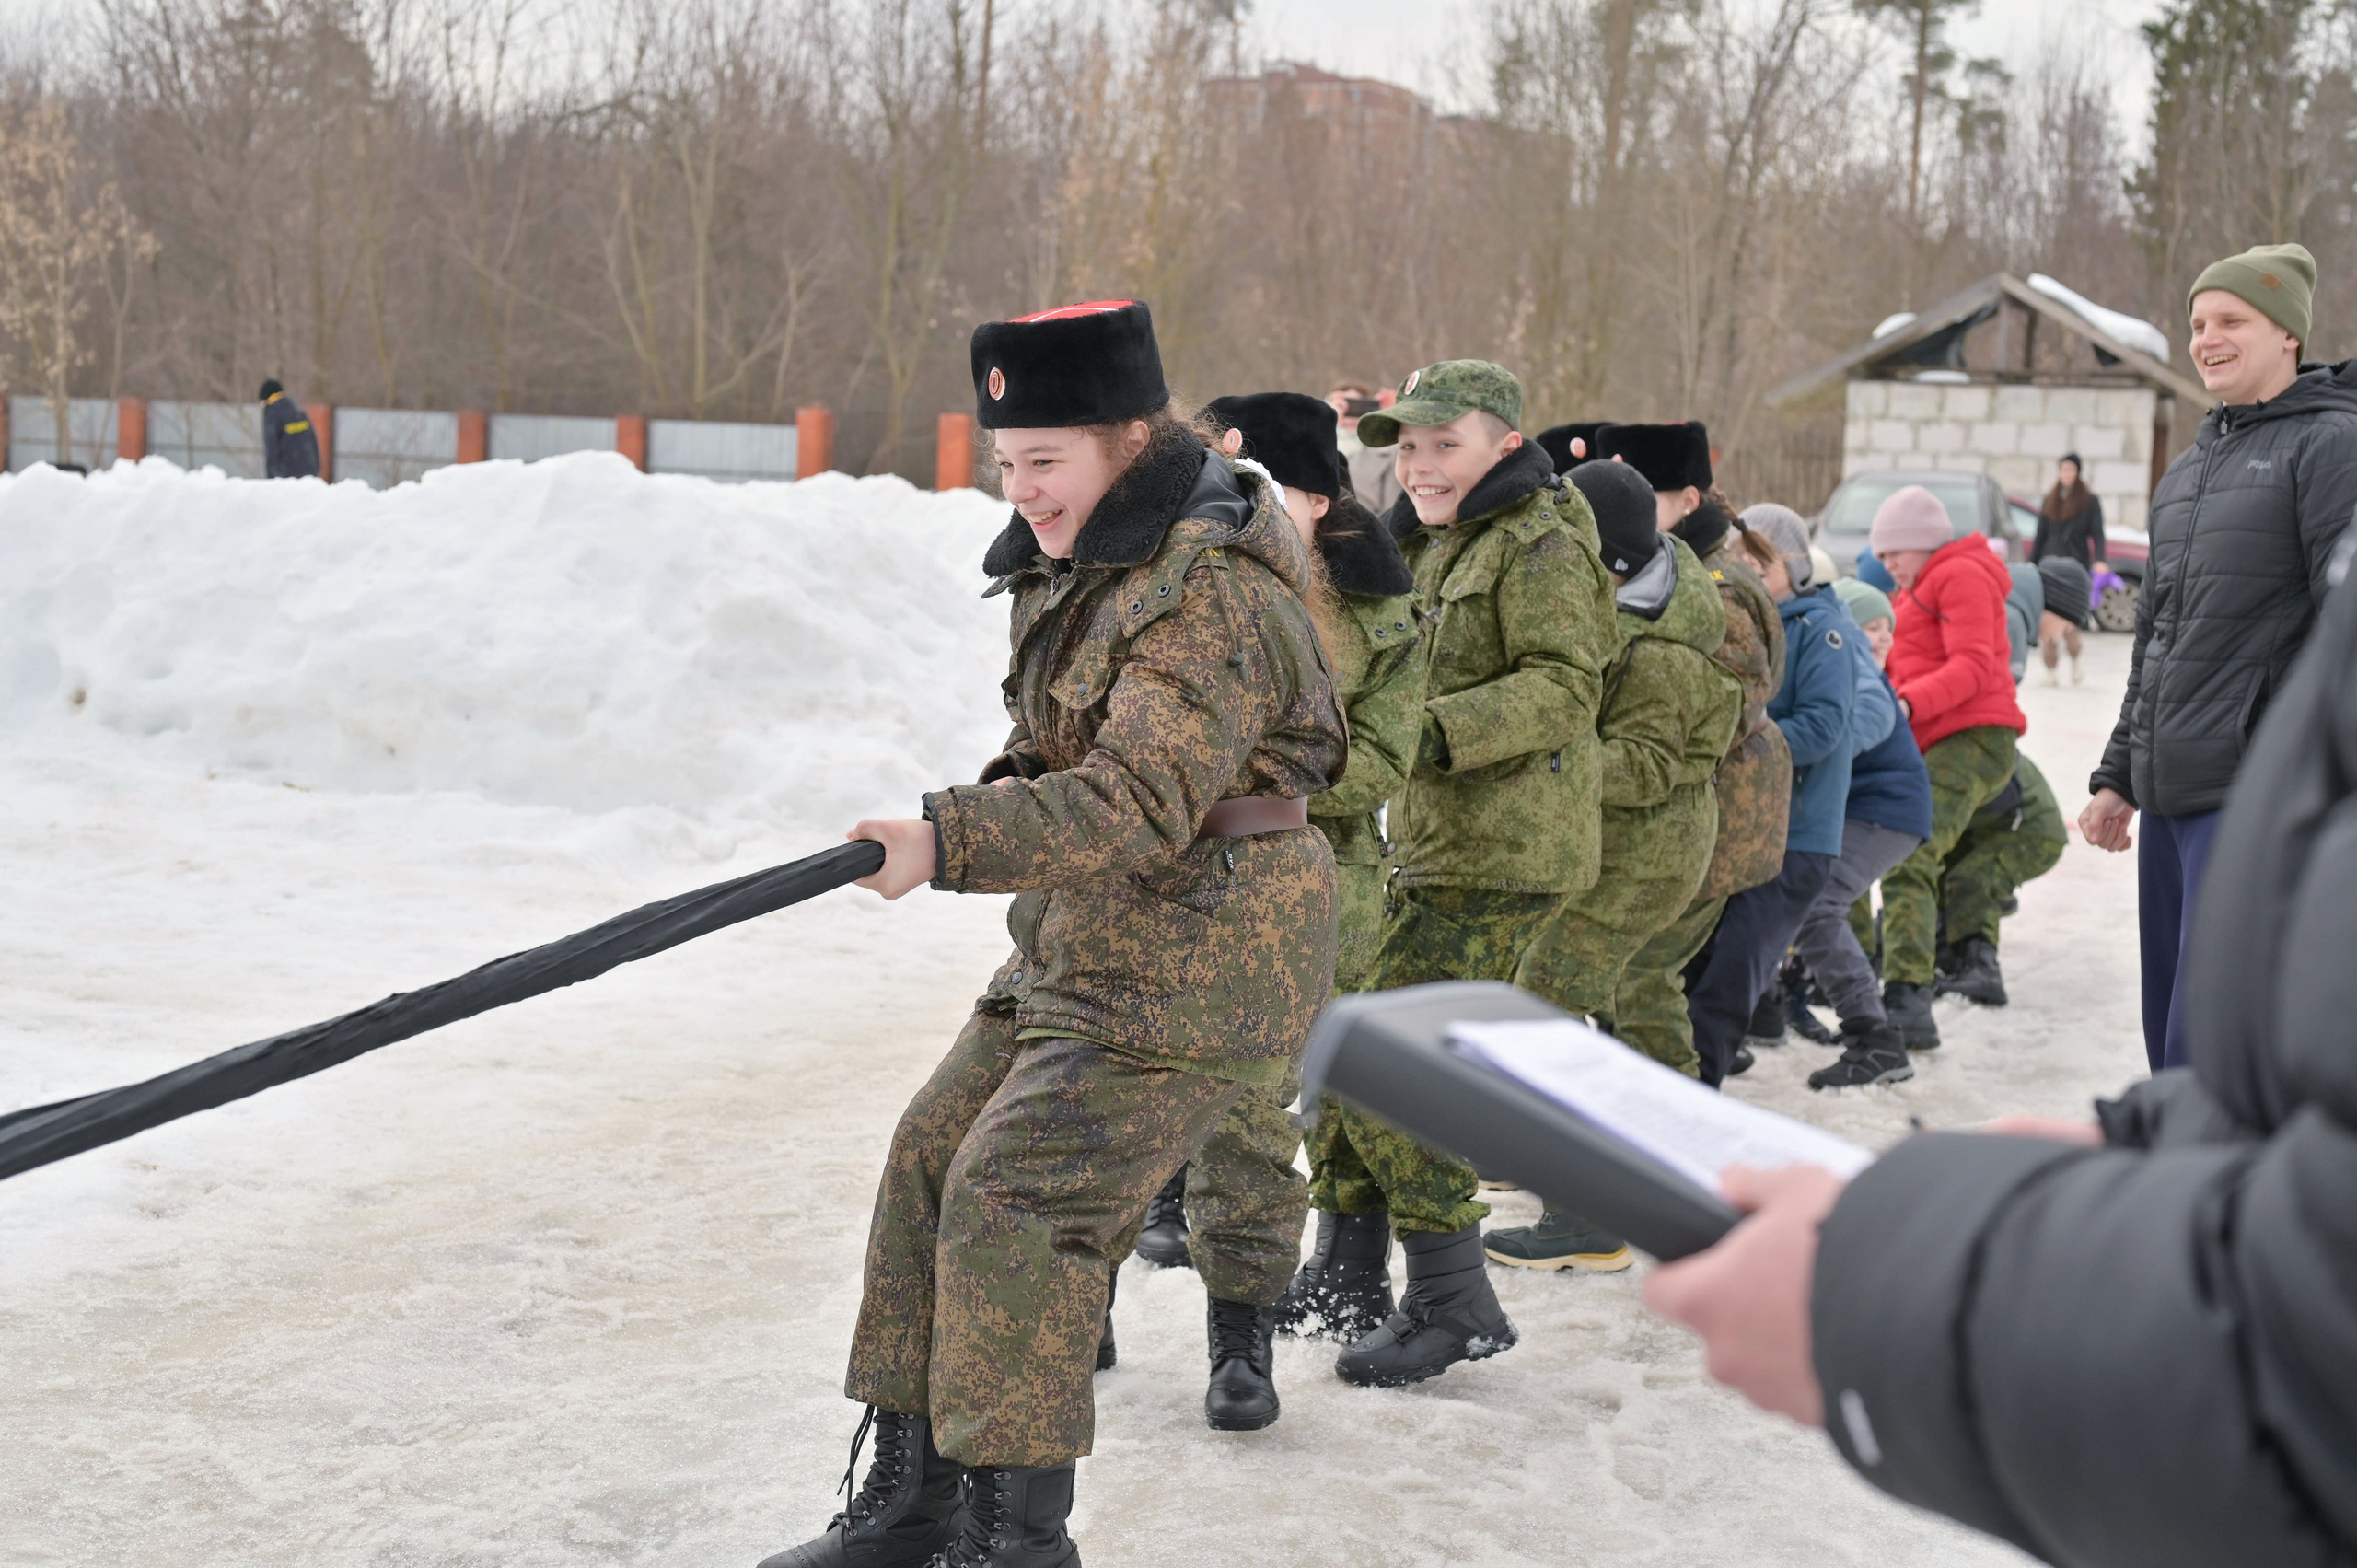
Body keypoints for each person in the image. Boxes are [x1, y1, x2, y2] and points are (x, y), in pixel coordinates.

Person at [758, 300, 1345, 1568]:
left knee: (1016, 1194)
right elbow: (1063, 749)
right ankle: (913, 1494)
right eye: (1006, 463)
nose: (1022, 491)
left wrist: (947, 839)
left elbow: (1136, 797)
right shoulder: (1087, 561)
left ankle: (1014, 1540)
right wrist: (984, 802)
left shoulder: (1209, 594)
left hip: (1209, 946)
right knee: (931, 1151)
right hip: (1094, 930)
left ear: (1131, 439)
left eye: (1047, 462)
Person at [1643, 562, 2357, 1568]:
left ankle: (1891, 1017)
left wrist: (1880, 1283)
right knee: (1841, 902)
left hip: (1909, 811)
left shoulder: (1935, 592)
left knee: (1851, 897)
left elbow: (2310, 1354)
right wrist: (2159, 1134)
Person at [1104, 390, 1421, 1426]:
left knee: (1249, 1118)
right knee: (1104, 1099)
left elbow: (1375, 757)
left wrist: (1240, 791)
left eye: (1278, 489)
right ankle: (1080, 1295)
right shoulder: (1175, 573)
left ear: (1322, 503)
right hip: (1151, 876)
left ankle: (1240, 1336)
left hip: (1287, 894)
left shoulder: (1378, 606)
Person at [1319, 358, 1617, 1388]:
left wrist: (1426, 733)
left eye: (1444, 444)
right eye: (1406, 447)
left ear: (1501, 443)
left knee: (1377, 1054)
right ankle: (1348, 1270)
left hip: (1509, 848)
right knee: (1360, 1032)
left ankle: (1452, 1294)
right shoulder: (1441, 538)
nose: (1419, 464)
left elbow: (1564, 687)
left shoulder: (1536, 539)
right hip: (1447, 841)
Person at [2082, 241, 2357, 1074]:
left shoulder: (2330, 448)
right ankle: (2173, 1181)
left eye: (2232, 319)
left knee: (2220, 1036)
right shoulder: (2191, 470)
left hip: (2256, 797)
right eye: (2199, 323)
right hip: (2171, 797)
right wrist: (2119, 773)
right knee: (2168, 1027)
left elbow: (2342, 630)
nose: (2209, 338)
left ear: (2288, 337)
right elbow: (2156, 638)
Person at [1484, 459, 1741, 1271]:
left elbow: (1646, 767)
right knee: (1632, 998)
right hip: (1607, 849)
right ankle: (1681, 1162)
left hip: (1643, 857)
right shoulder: (1624, 603)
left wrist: (1540, 743)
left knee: (1546, 1005)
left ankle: (1585, 1213)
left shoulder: (1663, 644)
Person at [1593, 422, 1794, 1080]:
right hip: (1669, 815)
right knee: (1634, 977)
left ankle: (1675, 1124)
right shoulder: (1667, 568)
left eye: (1643, 496)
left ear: (1687, 500)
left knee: (1643, 975)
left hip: (1710, 815)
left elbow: (1723, 710)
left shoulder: (1716, 587)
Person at [1676, 504, 1858, 1085]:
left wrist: (1740, 734)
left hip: (1796, 835)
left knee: (1731, 976)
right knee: (1695, 968)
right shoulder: (1744, 622)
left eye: (1763, 561)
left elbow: (1826, 727)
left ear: (1797, 566)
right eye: (1741, 558)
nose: (1748, 570)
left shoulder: (1821, 632)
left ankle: (1692, 1096)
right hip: (1740, 831)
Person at [1872, 484, 2027, 1051]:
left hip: (1971, 734)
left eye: (1896, 552)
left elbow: (1972, 667)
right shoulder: (1918, 587)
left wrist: (1907, 706)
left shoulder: (1958, 575)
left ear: (1925, 543)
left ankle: (1907, 1001)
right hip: (1935, 736)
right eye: (1881, 554)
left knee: (1910, 850)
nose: (1887, 563)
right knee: (1907, 849)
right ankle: (1906, 976)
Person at [1800, 577, 1933, 1090]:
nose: (1881, 638)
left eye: (1885, 628)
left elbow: (1865, 722)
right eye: (1870, 627)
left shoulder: (1842, 657)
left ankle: (1875, 1039)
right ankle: (1775, 1005)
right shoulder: (1827, 646)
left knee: (1814, 902)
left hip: (1885, 812)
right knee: (1790, 894)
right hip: (1870, 808)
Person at [1931, 754, 2066, 1007]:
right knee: (1945, 869)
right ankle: (1950, 951)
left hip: (2033, 830)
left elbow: (2000, 801)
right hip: (1996, 825)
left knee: (1975, 877)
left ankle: (1982, 970)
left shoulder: (1964, 753)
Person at [2030, 454, 2104, 685]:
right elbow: (2040, 535)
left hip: (2074, 567)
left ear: (2078, 472)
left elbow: (2098, 533)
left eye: (2071, 470)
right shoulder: (2050, 499)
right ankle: (2051, 671)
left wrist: (2100, 559)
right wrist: (2032, 564)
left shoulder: (2089, 501)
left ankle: (2076, 658)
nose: (2066, 474)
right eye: (2063, 470)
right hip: (2049, 565)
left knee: (2070, 619)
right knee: (2049, 617)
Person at [1329, 379, 1403, 516]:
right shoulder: (1320, 447)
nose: (1351, 416)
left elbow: (1391, 512)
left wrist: (1390, 419)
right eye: (1344, 408)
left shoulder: (1389, 452)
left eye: (1358, 407)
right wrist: (1326, 423)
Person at [259, 380, 319, 479]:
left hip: (286, 474)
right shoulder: (296, 408)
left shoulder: (272, 412)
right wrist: (316, 467)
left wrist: (271, 477)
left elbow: (271, 446)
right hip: (309, 470)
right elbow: (312, 439)